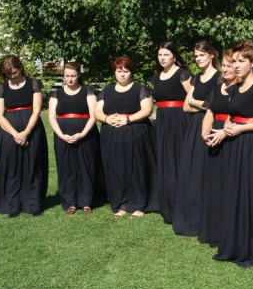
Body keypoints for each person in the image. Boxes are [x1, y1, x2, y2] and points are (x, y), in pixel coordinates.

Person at [213, 40, 253, 267]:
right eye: (234, 61)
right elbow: (234, 115)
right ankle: (236, 247)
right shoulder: (235, 88)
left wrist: (240, 128)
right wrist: (226, 130)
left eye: (242, 61)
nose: (236, 65)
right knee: (237, 195)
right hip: (236, 146)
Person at [94, 57, 158, 219]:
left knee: (136, 169)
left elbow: (147, 110)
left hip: (135, 133)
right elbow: (97, 111)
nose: (122, 75)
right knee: (116, 170)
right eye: (119, 71)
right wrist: (107, 119)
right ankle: (121, 204)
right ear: (114, 72)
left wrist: (127, 120)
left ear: (131, 72)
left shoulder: (140, 89)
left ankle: (139, 205)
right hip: (111, 135)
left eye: (126, 71)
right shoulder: (106, 91)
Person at [0, 55, 49, 218]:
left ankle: (34, 203)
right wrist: (16, 134)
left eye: (14, 72)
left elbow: (36, 111)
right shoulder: (1, 89)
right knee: (12, 167)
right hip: (9, 131)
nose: (12, 76)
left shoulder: (33, 84)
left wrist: (26, 132)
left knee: (34, 166)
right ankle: (13, 204)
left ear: (20, 67)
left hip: (32, 128)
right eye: (8, 74)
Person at [172, 40, 221, 236]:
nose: (198, 59)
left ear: (211, 55)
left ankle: (209, 219)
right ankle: (192, 219)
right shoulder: (196, 79)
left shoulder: (220, 77)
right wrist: (204, 103)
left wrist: (197, 102)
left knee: (208, 171)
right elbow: (185, 106)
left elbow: (217, 105)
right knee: (191, 171)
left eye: (201, 55)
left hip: (211, 124)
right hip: (194, 126)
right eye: (196, 56)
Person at [198, 49, 239, 247]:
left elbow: (235, 114)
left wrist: (223, 132)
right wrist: (205, 133)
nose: (226, 68)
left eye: (231, 64)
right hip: (214, 138)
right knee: (213, 185)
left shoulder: (241, 89)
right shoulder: (216, 89)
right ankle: (212, 231)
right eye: (224, 64)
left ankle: (228, 231)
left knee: (229, 184)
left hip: (231, 137)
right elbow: (209, 114)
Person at [48, 62, 100, 215]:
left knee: (86, 167)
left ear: (78, 75)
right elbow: (52, 117)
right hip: (63, 135)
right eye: (67, 76)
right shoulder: (56, 94)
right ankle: (70, 202)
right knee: (66, 168)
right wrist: (61, 135)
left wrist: (83, 133)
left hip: (86, 134)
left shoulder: (88, 92)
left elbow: (93, 116)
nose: (70, 79)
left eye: (73, 76)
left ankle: (86, 202)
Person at [150, 42, 192, 224]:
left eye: (166, 54)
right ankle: (168, 205)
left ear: (174, 56)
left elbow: (193, 98)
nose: (162, 58)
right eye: (160, 55)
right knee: (165, 160)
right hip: (163, 120)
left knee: (179, 160)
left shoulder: (183, 74)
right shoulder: (156, 77)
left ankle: (183, 205)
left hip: (180, 119)